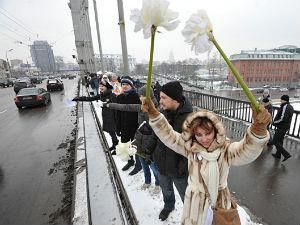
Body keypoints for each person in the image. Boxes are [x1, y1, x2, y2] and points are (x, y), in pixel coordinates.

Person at [141, 97, 271, 225]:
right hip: (195, 205)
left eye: (208, 133)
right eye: (199, 134)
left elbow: (246, 151)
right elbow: (169, 135)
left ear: (216, 131)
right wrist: (154, 114)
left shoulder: (225, 150)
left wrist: (258, 129)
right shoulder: (191, 148)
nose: (204, 139)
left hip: (219, 203)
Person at [146, 81, 193, 221]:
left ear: (175, 99)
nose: (160, 101)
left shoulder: (190, 120)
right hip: (161, 163)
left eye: (163, 98)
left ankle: (191, 216)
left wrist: (182, 167)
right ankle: (168, 206)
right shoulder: (163, 113)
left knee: (186, 195)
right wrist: (149, 152)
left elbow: (192, 148)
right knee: (166, 190)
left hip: (178, 169)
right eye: (160, 97)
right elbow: (156, 134)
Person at [103, 86, 160, 189]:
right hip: (140, 141)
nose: (140, 98)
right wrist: (109, 105)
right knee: (143, 163)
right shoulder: (141, 107)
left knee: (153, 165)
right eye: (139, 96)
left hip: (151, 143)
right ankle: (147, 181)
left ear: (149, 97)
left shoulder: (156, 110)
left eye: (142, 96)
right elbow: (125, 107)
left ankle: (158, 183)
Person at [72, 80, 118, 152]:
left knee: (112, 132)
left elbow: (116, 107)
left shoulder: (112, 95)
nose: (100, 88)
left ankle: (116, 147)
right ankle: (115, 145)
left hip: (112, 117)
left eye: (102, 86)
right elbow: (91, 98)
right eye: (100, 86)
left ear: (106, 87)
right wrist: (80, 98)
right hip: (106, 116)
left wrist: (105, 105)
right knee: (111, 132)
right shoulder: (102, 95)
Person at [116, 76, 142, 172]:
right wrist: (117, 128)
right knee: (126, 146)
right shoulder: (120, 97)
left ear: (131, 85)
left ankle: (138, 165)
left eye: (127, 84)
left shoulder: (137, 97)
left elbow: (140, 112)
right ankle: (130, 161)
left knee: (135, 147)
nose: (124, 86)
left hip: (135, 127)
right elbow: (117, 113)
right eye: (123, 84)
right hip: (124, 127)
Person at [271, 95, 294, 162]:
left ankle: (286, 154)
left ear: (284, 100)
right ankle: (278, 154)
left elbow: (283, 118)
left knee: (275, 141)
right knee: (280, 141)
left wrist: (274, 122)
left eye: (281, 99)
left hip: (282, 127)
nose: (280, 101)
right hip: (284, 127)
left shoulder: (285, 106)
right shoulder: (290, 106)